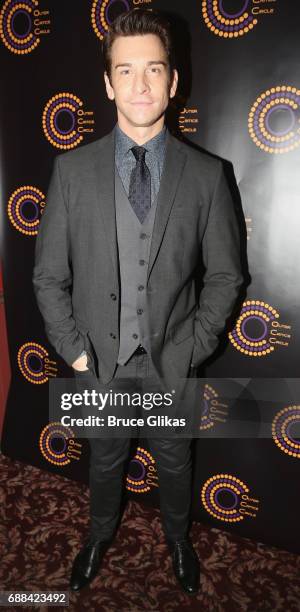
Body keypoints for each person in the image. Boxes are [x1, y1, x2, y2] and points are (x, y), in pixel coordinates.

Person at [33, 8, 243, 595]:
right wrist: (77, 355)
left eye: (154, 69)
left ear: (174, 82)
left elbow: (226, 275)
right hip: (99, 362)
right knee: (104, 461)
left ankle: (179, 539)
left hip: (174, 362)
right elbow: (49, 277)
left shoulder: (208, 176)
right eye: (126, 71)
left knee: (177, 464)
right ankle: (100, 535)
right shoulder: (71, 172)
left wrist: (193, 346)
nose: (141, 84)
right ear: (107, 83)